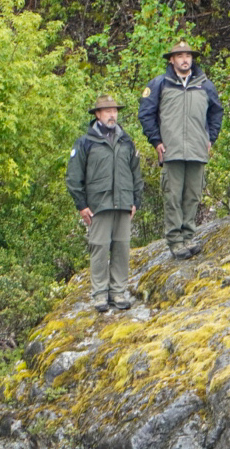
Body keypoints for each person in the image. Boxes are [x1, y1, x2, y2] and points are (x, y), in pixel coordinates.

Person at [138, 40, 224, 260]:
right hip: (172, 150)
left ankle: (188, 237)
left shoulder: (205, 85)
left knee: (193, 196)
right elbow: (146, 114)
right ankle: (175, 242)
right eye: (180, 56)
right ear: (171, 59)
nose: (185, 60)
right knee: (173, 197)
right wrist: (156, 141)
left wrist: (210, 138)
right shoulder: (160, 84)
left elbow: (216, 112)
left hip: (197, 150)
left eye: (188, 56)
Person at [65, 95, 145, 312]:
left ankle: (118, 292)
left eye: (115, 111)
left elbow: (136, 173)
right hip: (98, 205)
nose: (112, 115)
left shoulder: (126, 141)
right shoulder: (85, 142)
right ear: (97, 115)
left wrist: (136, 200)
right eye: (107, 111)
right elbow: (73, 177)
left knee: (121, 248)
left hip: (124, 203)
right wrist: (82, 205)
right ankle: (100, 295)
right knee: (99, 249)